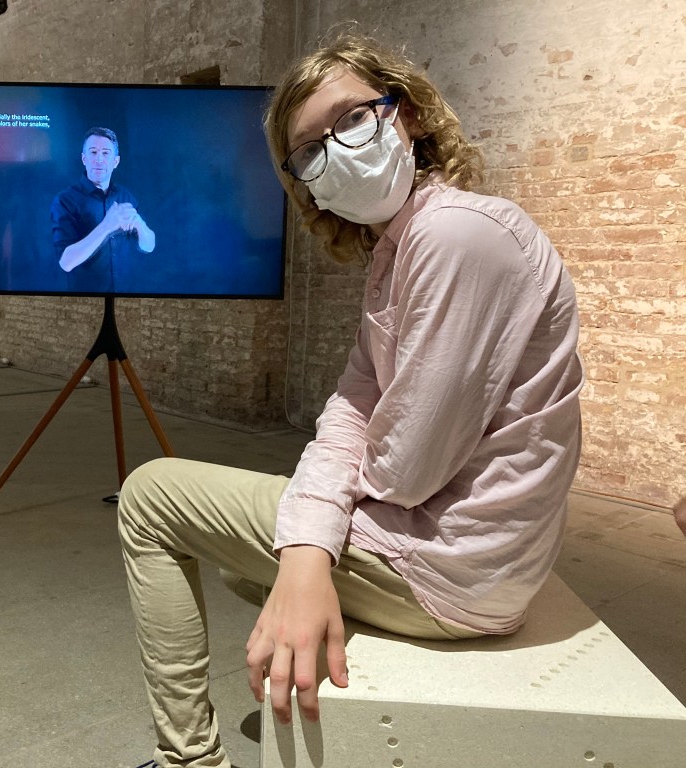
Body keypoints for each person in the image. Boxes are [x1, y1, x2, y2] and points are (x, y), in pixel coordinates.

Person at [117, 29, 584, 768]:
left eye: (352, 118)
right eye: (308, 150)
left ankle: (188, 762)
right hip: (461, 552)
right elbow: (350, 408)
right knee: (254, 558)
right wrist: (309, 543)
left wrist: (313, 529)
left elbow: (404, 467)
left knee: (150, 497)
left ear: (408, 115)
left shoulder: (454, 236)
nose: (334, 152)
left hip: (454, 566)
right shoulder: (400, 247)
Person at [49, 127, 155, 293]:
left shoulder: (126, 196)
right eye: (93, 152)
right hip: (87, 300)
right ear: (84, 158)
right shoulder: (65, 200)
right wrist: (106, 226)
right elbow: (66, 262)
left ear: (116, 162)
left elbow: (149, 246)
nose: (99, 159)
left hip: (127, 298)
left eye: (106, 153)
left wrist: (139, 224)